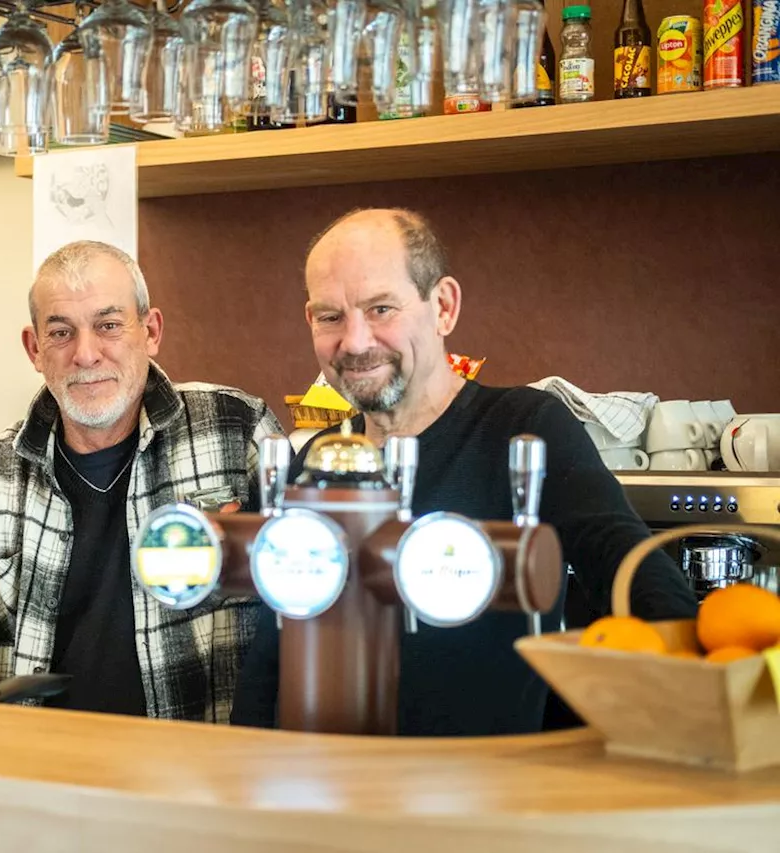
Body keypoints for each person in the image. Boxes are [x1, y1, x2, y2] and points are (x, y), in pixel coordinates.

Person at [231, 208, 697, 735]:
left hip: (486, 792)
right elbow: (274, 649)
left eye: (381, 308)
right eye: (330, 316)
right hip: (324, 788)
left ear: (444, 307)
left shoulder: (525, 429)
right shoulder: (315, 458)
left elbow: (643, 582)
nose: (355, 342)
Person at [0, 241, 282, 721]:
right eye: (61, 332)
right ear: (34, 348)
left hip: (202, 771)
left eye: (108, 326)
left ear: (150, 331)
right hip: (39, 772)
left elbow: (300, 617)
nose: (86, 354)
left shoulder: (237, 430)